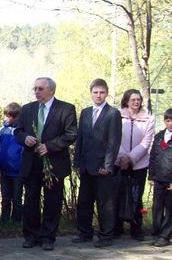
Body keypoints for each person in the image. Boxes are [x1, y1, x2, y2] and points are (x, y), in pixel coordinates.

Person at [14, 77, 77, 250]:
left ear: (51, 90)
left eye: (40, 89)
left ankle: (48, 237)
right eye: (35, 88)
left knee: (52, 201)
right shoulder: (27, 109)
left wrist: (49, 146)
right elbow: (18, 131)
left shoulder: (65, 109)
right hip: (31, 162)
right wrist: (24, 138)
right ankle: (30, 235)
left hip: (54, 163)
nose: (36, 92)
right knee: (31, 199)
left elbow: (71, 134)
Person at [72, 78, 122, 247]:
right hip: (86, 165)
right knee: (84, 202)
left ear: (106, 93)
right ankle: (85, 233)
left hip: (101, 167)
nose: (98, 95)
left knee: (104, 204)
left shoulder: (112, 113)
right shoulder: (85, 112)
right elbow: (81, 139)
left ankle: (106, 236)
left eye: (101, 92)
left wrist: (108, 166)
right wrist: (77, 162)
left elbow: (113, 142)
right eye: (95, 92)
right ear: (91, 93)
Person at [114, 89, 154, 241]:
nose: (136, 102)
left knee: (136, 196)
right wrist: (122, 157)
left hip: (139, 164)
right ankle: (116, 227)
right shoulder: (117, 116)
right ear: (126, 101)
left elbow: (146, 142)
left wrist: (131, 158)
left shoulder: (148, 119)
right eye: (133, 100)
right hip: (119, 162)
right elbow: (114, 137)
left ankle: (136, 228)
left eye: (138, 99)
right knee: (117, 194)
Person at [0, 102, 24, 224]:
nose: (6, 118)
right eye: (6, 115)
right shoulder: (2, 130)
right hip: (5, 169)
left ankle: (17, 220)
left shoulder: (21, 132)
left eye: (10, 116)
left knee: (17, 197)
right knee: (5, 197)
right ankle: (4, 219)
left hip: (18, 170)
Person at [149, 109, 172, 247]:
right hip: (158, 178)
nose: (170, 123)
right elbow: (152, 157)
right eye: (168, 120)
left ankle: (165, 235)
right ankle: (158, 231)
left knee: (170, 209)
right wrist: (151, 176)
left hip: (170, 180)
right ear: (164, 121)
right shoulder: (159, 136)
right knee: (157, 207)